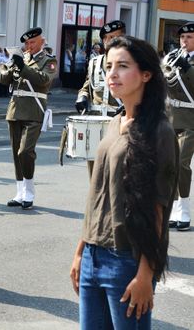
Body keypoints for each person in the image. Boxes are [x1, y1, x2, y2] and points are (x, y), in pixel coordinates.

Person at [70, 36, 179, 329]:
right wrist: (81, 252)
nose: (112, 74)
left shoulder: (160, 131)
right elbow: (96, 195)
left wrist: (146, 274)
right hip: (93, 255)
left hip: (127, 259)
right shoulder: (114, 122)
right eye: (108, 66)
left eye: (122, 66)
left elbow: (158, 208)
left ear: (146, 74)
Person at [0, 27, 57, 209]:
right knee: (16, 154)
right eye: (27, 43)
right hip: (15, 109)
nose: (29, 46)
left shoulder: (49, 60)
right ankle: (19, 192)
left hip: (34, 110)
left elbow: (43, 80)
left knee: (25, 151)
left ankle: (29, 190)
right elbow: (3, 81)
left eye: (33, 42)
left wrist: (23, 67)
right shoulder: (22, 58)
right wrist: (12, 66)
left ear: (42, 42)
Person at [76, 20, 126, 177]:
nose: (111, 41)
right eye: (108, 37)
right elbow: (87, 85)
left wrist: (129, 106)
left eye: (115, 37)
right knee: (95, 164)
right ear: (103, 40)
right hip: (96, 120)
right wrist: (82, 97)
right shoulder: (94, 62)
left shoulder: (131, 62)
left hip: (120, 120)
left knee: (117, 166)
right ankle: (96, 199)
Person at [164, 22, 194, 231]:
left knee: (181, 163)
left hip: (191, 119)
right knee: (169, 164)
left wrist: (188, 68)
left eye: (190, 37)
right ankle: (174, 207)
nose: (185, 41)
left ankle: (184, 207)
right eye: (183, 38)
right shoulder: (172, 57)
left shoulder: (186, 62)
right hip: (170, 118)